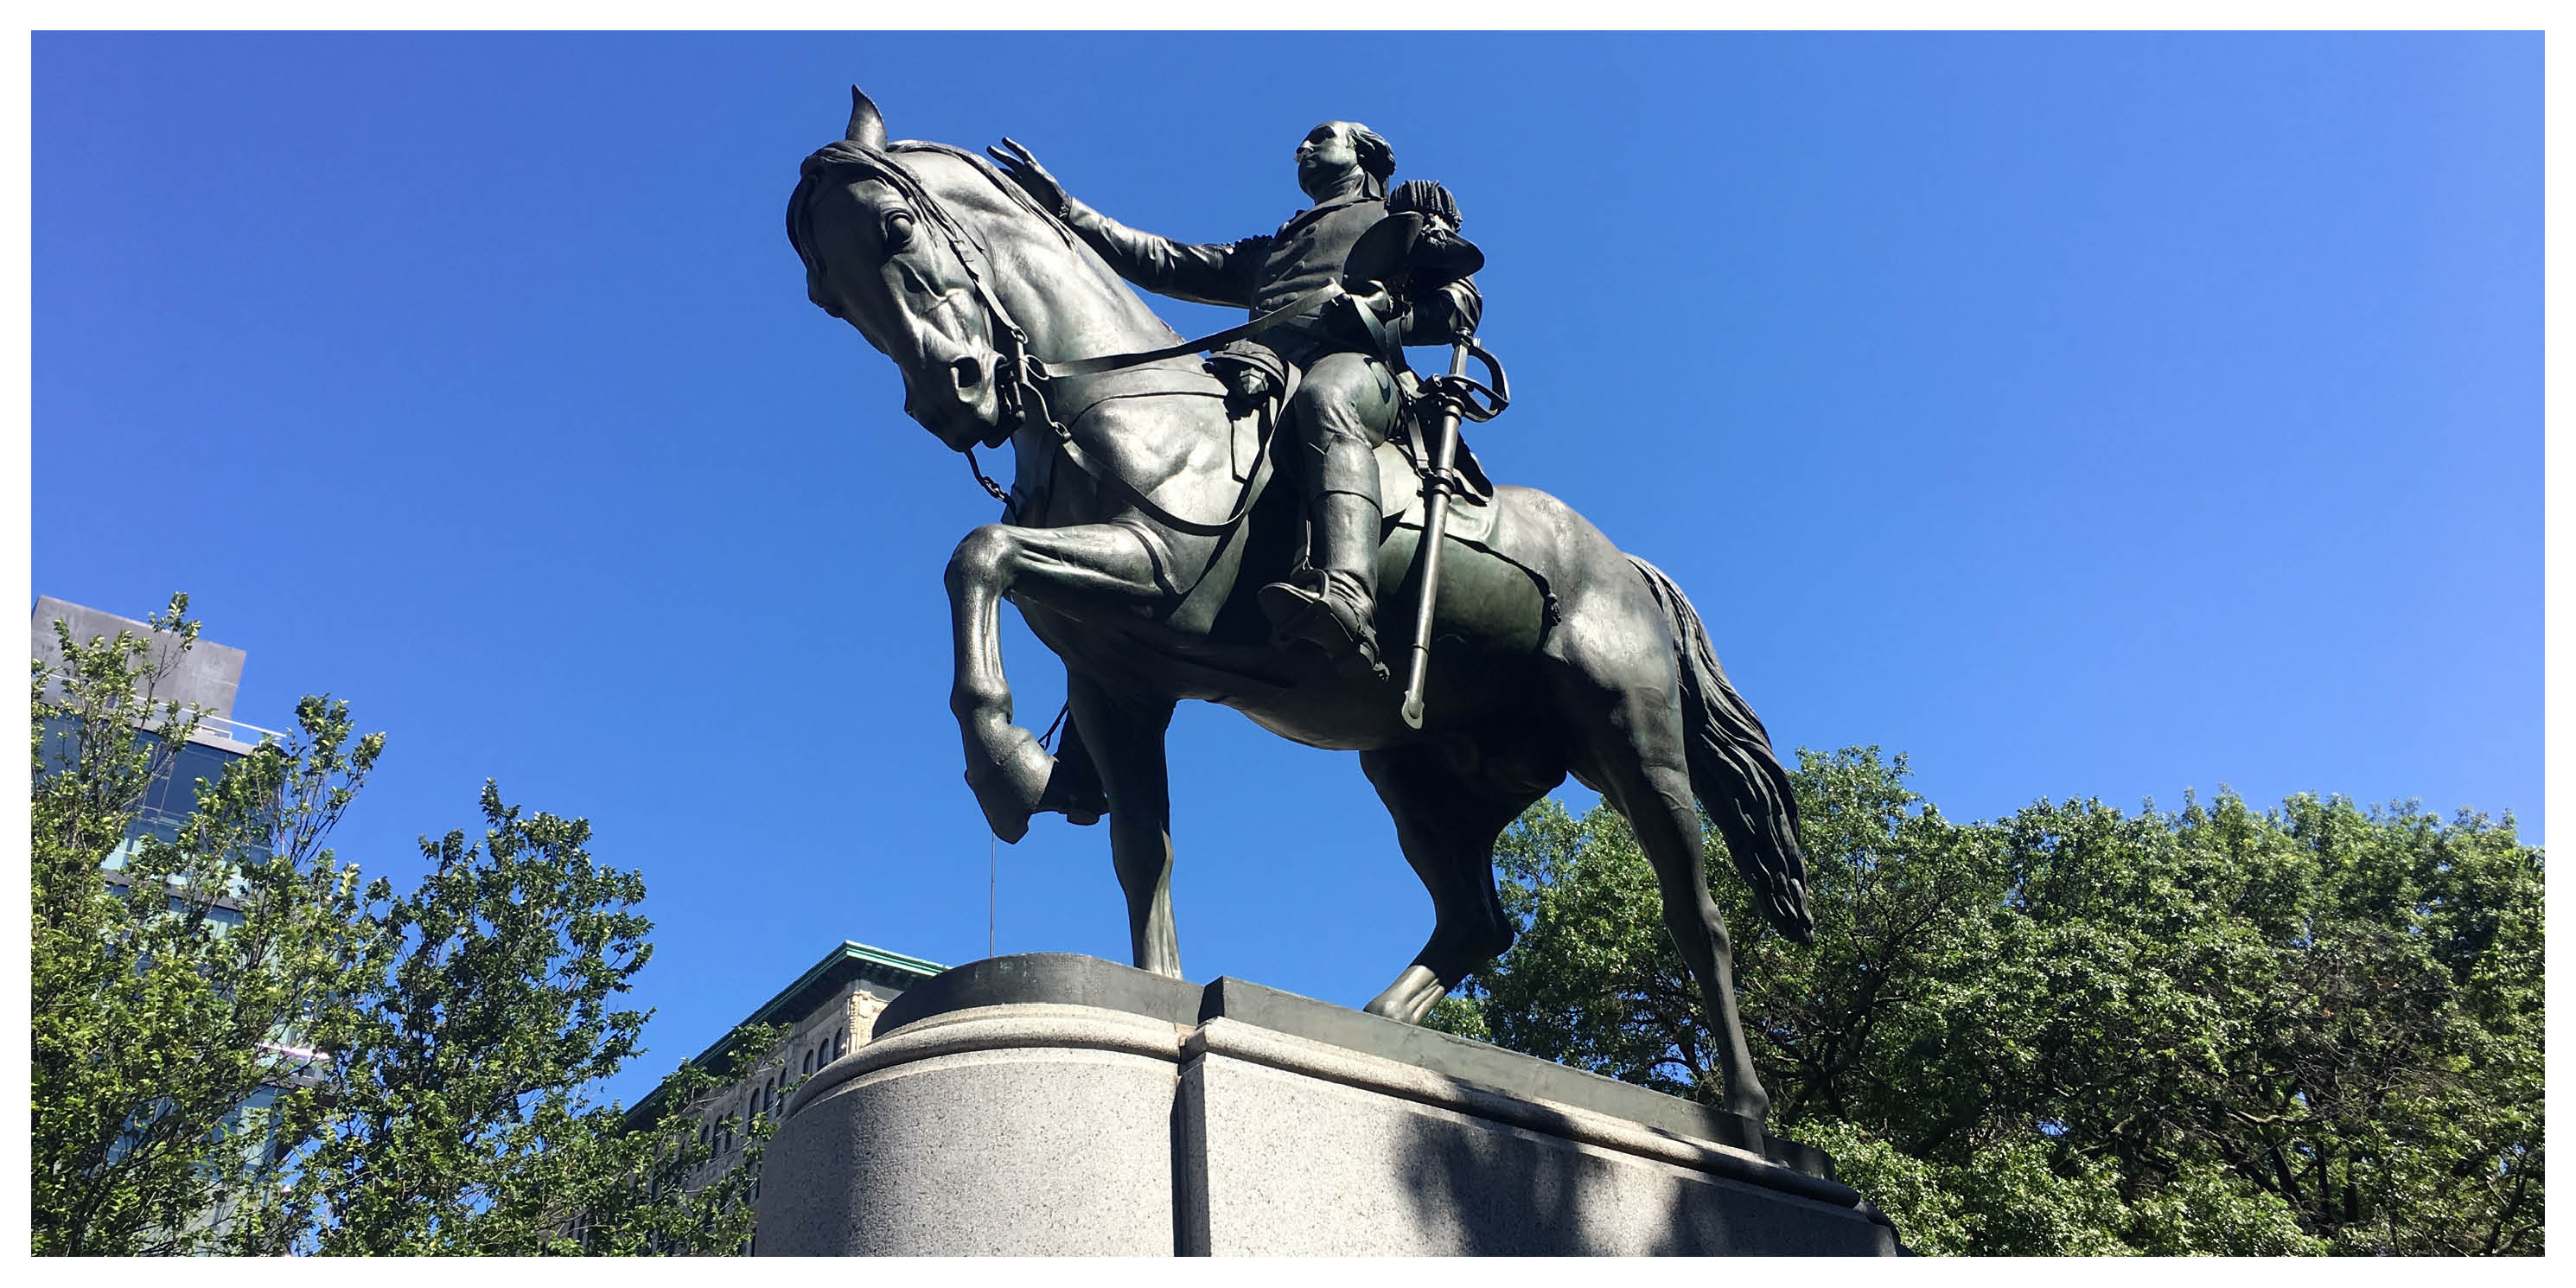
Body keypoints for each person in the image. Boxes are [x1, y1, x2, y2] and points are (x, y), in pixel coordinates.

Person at [989, 122, 1481, 674]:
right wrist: (1070, 212)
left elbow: (1462, 304)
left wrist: (1381, 312)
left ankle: (1348, 595)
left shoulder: (1395, 222)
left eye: (1322, 137)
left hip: (1358, 371)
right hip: (1263, 372)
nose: (1303, 148)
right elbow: (1166, 261)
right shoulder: (1277, 247)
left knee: (1325, 401)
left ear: (1364, 152)